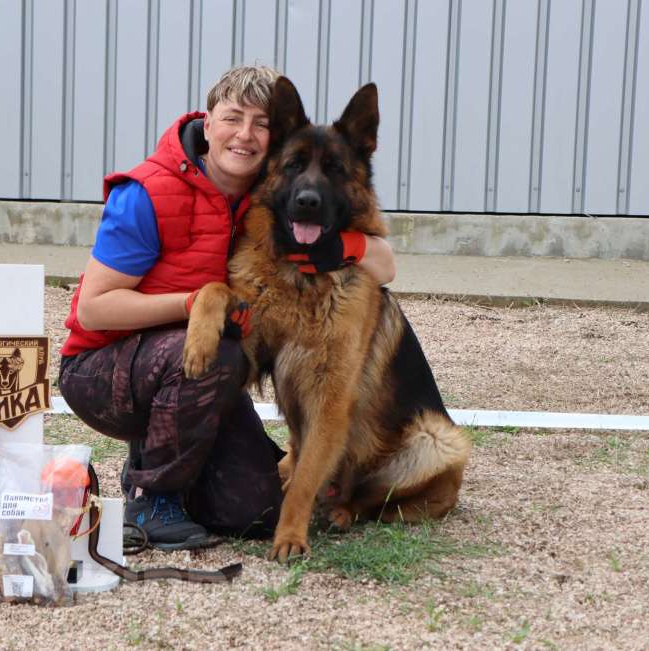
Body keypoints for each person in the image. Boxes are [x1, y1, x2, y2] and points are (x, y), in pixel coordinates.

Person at [58, 65, 396, 550]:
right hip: (102, 370)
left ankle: (183, 467)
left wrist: (346, 247)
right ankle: (150, 497)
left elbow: (385, 265)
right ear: (208, 120)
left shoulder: (270, 192)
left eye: (260, 123)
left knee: (257, 510)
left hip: (192, 375)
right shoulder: (148, 194)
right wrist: (193, 303)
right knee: (220, 350)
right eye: (233, 118)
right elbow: (93, 310)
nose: (245, 134)